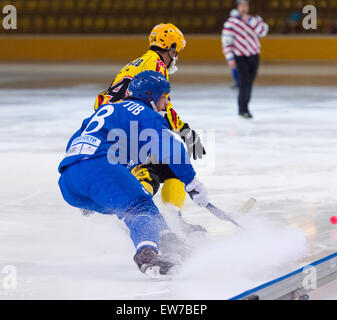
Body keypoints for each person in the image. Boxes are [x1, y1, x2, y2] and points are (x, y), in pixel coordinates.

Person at [58, 71, 209, 277]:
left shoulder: (110, 110)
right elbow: (170, 145)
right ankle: (147, 257)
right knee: (140, 207)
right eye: (164, 97)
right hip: (96, 168)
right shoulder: (143, 112)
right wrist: (192, 182)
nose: (166, 104)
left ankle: (170, 243)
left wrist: (91, 187)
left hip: (69, 180)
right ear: (150, 96)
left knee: (138, 206)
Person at [94, 23, 206, 233]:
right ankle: (137, 216)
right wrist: (185, 131)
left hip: (114, 126)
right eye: (176, 51)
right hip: (130, 128)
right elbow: (164, 106)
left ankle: (168, 217)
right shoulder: (156, 65)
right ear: (171, 48)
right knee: (152, 170)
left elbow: (104, 99)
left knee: (167, 167)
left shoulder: (136, 62)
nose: (176, 56)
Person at [222, 0, 269, 119]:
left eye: (245, 5)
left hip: (254, 56)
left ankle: (245, 107)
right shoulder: (231, 23)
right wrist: (230, 58)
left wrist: (250, 20)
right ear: (237, 7)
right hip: (240, 57)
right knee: (244, 83)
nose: (243, 7)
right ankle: (243, 109)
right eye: (241, 5)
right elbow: (226, 42)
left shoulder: (256, 19)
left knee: (249, 83)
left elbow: (262, 32)